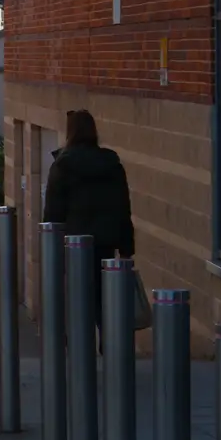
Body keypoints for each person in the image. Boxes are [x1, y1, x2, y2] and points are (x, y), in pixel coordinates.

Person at [42, 109, 135, 347]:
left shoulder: (63, 165)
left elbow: (53, 211)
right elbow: (122, 207)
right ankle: (110, 346)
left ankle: (80, 348)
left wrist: (51, 247)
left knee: (78, 295)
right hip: (105, 241)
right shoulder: (111, 164)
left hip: (75, 243)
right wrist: (126, 249)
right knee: (106, 295)